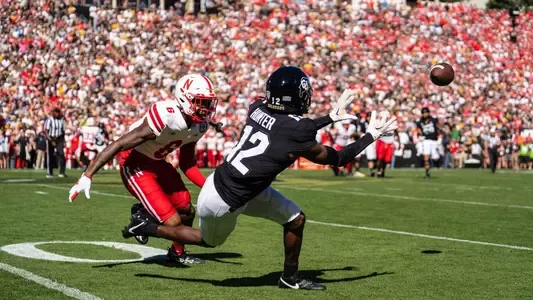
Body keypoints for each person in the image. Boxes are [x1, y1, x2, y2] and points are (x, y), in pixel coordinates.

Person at [119, 66, 397, 290]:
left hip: (242, 186)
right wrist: (371, 136)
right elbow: (338, 158)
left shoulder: (257, 108)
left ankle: (290, 277)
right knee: (207, 241)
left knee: (295, 219)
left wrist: (330, 117)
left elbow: (291, 126)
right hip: (224, 199)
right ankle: (145, 227)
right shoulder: (296, 132)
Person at [69, 74, 218, 264]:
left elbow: (186, 164)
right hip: (135, 164)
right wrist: (87, 175)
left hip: (157, 162)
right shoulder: (167, 115)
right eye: (200, 102)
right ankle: (141, 220)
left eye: (207, 103)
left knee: (187, 210)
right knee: (173, 222)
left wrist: (209, 188)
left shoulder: (199, 125)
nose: (205, 109)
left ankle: (176, 252)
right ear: (184, 98)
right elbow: (120, 144)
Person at [416, 107, 439, 179]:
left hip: (434, 140)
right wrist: (419, 135)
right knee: (426, 157)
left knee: (436, 158)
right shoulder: (420, 122)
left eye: (426, 113)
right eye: (423, 113)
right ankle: (427, 173)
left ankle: (437, 164)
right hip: (426, 140)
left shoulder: (433, 119)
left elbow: (438, 127)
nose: (425, 114)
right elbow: (419, 131)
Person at [43, 108, 66, 178]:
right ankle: (49, 172)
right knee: (50, 156)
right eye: (55, 112)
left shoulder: (61, 120)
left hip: (59, 138)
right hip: (51, 138)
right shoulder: (49, 120)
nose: (56, 114)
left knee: (61, 154)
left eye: (57, 112)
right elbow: (46, 131)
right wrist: (51, 140)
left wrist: (64, 141)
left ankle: (62, 172)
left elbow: (63, 131)